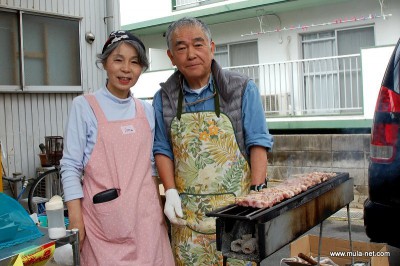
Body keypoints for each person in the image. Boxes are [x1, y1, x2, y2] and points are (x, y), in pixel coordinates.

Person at [153, 17, 274, 265]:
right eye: (181, 47)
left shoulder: (241, 89)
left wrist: (256, 194)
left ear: (212, 47)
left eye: (198, 44)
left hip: (237, 213)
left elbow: (258, 144)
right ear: (171, 56)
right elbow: (162, 148)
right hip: (185, 217)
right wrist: (171, 192)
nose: (190, 54)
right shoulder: (163, 97)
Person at [60, 30, 175, 266]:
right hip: (104, 224)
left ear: (142, 68)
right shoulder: (84, 106)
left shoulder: (146, 110)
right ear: (104, 63)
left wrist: (160, 206)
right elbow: (70, 166)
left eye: (135, 62)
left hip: (147, 221)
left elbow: (151, 166)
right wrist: (75, 218)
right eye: (118, 60)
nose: (126, 69)